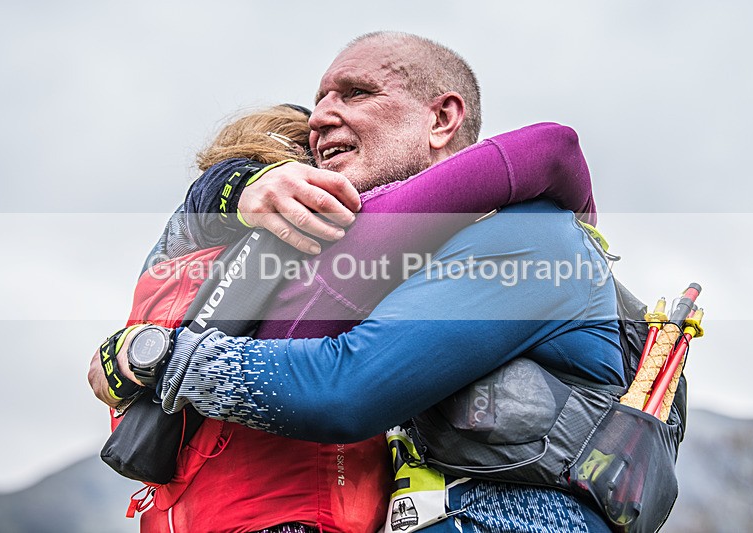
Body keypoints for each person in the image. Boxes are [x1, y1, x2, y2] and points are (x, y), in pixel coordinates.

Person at [90, 31, 618, 532]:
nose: (320, 117)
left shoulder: (528, 237)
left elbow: (342, 390)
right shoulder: (394, 255)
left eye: (357, 93)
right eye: (317, 101)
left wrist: (155, 356)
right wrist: (235, 186)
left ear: (442, 119)